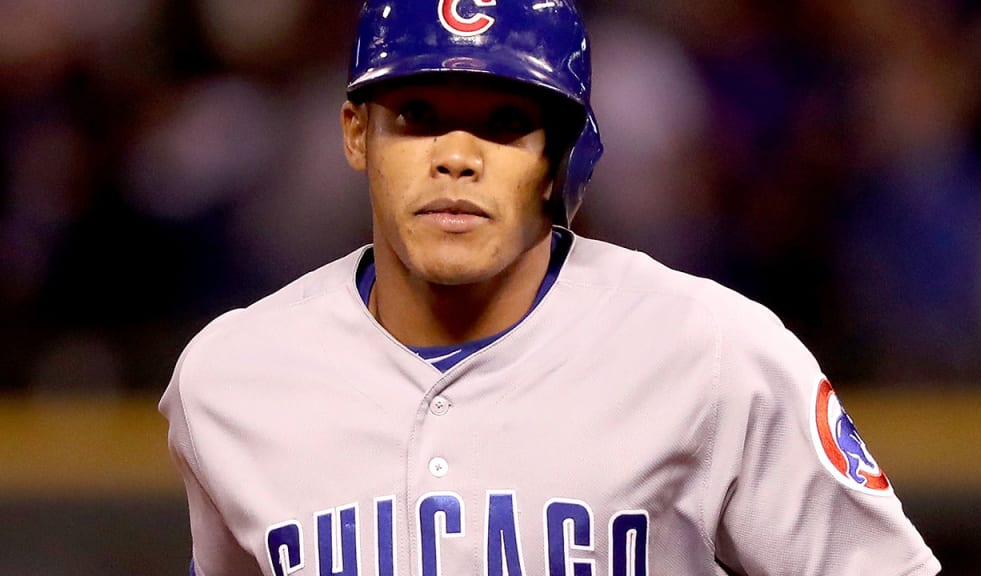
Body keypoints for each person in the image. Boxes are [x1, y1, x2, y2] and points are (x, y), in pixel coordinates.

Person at [159, 1, 941, 574]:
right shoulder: (231, 378)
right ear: (357, 134)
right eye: (420, 114)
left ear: (561, 154)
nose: (456, 158)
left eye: (503, 122)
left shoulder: (710, 349)